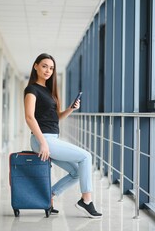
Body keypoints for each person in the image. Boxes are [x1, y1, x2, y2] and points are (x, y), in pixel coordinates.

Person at [24, 53, 102, 219]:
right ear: (35, 66)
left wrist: (71, 109)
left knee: (76, 172)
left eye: (51, 68)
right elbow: (29, 117)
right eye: (44, 66)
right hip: (43, 139)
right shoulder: (31, 89)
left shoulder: (48, 91)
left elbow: (55, 118)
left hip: (51, 139)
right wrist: (43, 143)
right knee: (86, 157)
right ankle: (86, 200)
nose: (48, 70)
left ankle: (49, 196)